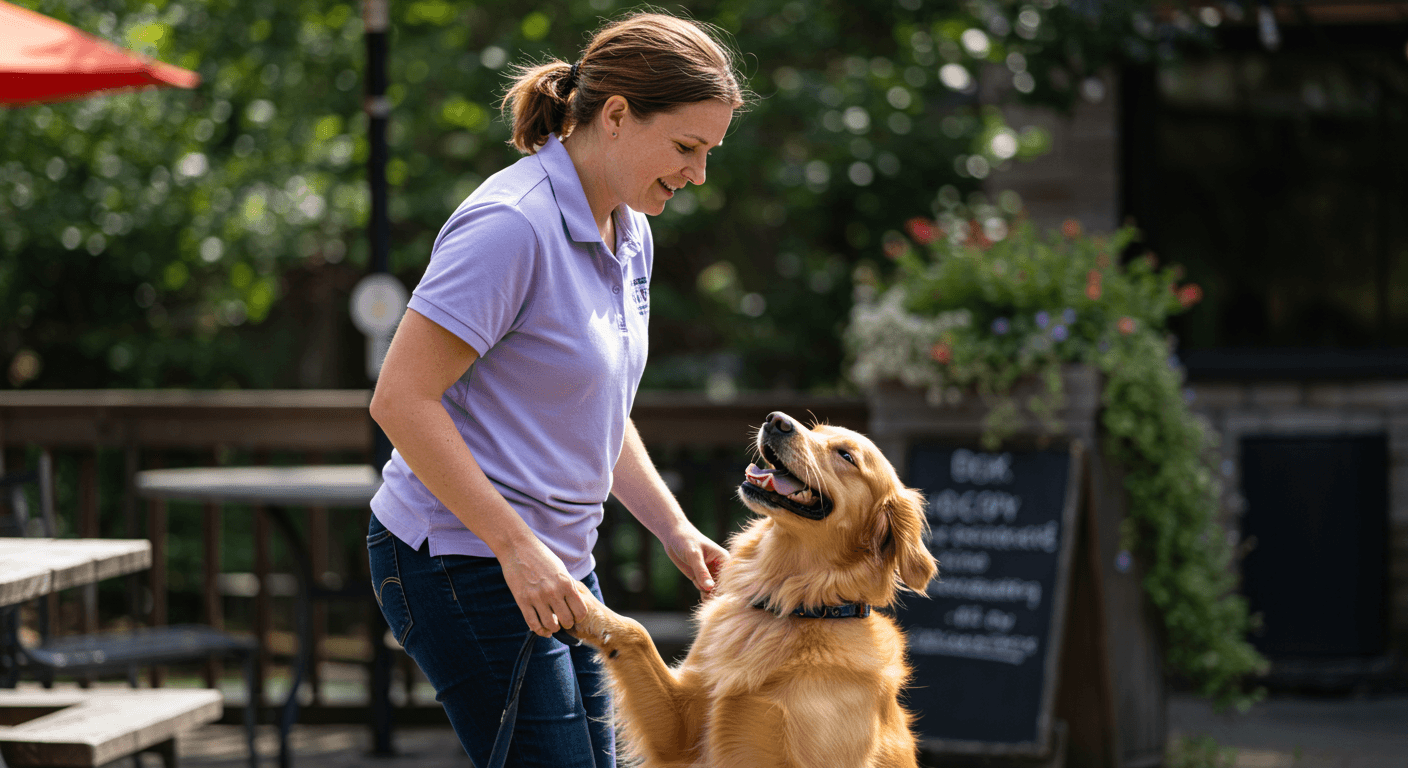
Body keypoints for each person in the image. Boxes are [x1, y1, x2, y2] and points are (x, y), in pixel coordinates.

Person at [365, 11, 750, 768]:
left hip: (556, 560)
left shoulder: (630, 227)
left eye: (708, 153)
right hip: (459, 559)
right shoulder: (511, 225)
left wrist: (673, 531)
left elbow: (596, 409)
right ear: (614, 117)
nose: (698, 174)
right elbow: (400, 400)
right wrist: (516, 548)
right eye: (685, 147)